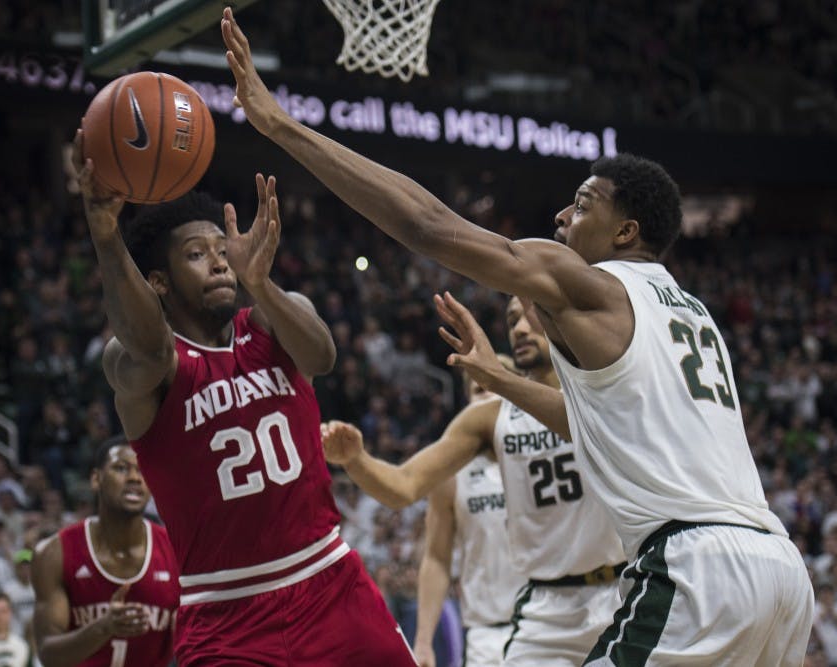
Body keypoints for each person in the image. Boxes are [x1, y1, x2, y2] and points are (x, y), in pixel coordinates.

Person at [222, 9, 813, 663]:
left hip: (697, 569)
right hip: (779, 569)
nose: (563, 214)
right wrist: (501, 380)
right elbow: (593, 422)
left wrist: (280, 125)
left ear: (626, 232)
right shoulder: (692, 313)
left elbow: (427, 224)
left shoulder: (594, 284)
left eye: (585, 203)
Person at [71, 128, 416, 665]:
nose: (218, 262)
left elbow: (322, 357)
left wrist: (261, 281)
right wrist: (105, 234)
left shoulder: (271, 322)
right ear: (158, 281)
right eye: (195, 254)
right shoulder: (143, 365)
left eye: (221, 250)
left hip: (327, 582)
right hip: (223, 612)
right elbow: (144, 343)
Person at [324, 295, 625, 666]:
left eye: (533, 314)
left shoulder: (603, 391)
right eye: (512, 319)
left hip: (619, 594)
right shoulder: (490, 419)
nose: (520, 327)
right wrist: (356, 461)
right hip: (543, 609)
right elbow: (404, 486)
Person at [414, 355, 524, 667]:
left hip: (554, 620)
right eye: (478, 391)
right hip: (486, 636)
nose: (486, 396)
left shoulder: (546, 451)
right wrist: (423, 641)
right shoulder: (452, 472)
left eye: (494, 387)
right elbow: (436, 556)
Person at [31, 436, 179, 667]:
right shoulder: (53, 553)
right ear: (95, 479)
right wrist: (104, 627)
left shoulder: (178, 551)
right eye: (121, 468)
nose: (134, 478)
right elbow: (48, 654)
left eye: (143, 469)